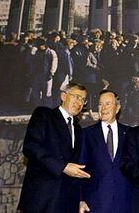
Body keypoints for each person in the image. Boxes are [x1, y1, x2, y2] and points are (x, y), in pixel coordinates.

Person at [18, 83, 90, 213]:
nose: (80, 102)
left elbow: (76, 167)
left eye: (83, 100)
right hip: (41, 200)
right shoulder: (44, 115)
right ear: (63, 95)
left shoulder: (79, 130)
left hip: (67, 203)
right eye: (76, 96)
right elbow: (31, 147)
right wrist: (63, 167)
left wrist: (79, 199)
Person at [79, 90, 131, 213]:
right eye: (100, 104)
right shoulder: (87, 134)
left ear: (117, 108)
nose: (103, 108)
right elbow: (81, 169)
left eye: (108, 104)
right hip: (96, 203)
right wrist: (80, 199)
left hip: (125, 203)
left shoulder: (130, 134)